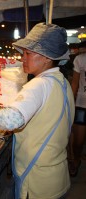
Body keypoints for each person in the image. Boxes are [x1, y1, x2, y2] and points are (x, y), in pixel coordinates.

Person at [0, 23, 75, 199]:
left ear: (46, 57)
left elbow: (12, 119)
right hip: (55, 176)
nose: (22, 58)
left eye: (28, 53)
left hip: (36, 182)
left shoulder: (40, 84)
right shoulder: (62, 82)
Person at [68, 41, 86, 177]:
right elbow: (75, 82)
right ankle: (76, 158)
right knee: (78, 140)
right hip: (81, 104)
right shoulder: (81, 59)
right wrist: (70, 102)